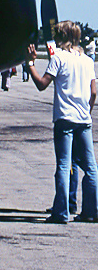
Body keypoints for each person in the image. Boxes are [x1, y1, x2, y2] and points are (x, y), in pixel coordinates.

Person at [26, 21, 98, 224]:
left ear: (62, 37)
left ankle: (62, 212)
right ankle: (91, 211)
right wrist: (87, 112)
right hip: (84, 119)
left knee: (64, 166)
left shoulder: (58, 58)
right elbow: (93, 92)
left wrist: (30, 64)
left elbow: (42, 84)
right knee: (91, 167)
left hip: (64, 118)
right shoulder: (87, 60)